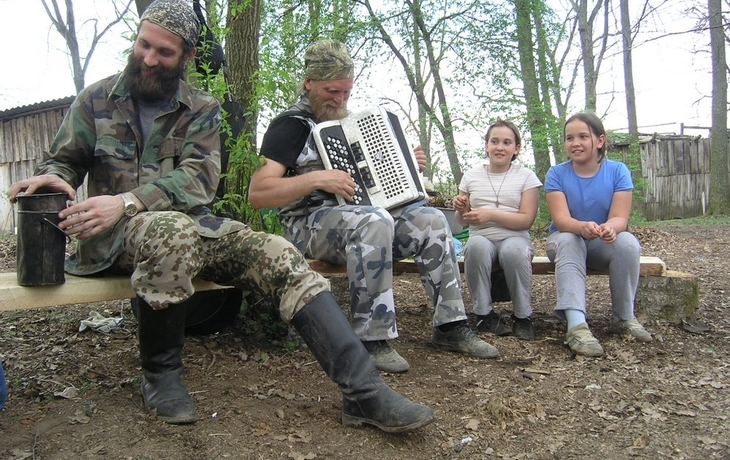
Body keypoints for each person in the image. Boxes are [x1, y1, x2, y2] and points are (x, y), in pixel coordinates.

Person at [8, 0, 435, 433]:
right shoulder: (96, 99)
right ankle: (160, 376)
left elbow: (198, 181)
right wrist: (53, 178)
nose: (149, 58)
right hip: (115, 236)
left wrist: (128, 200)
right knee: (171, 230)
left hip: (192, 227)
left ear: (188, 56)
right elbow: (61, 161)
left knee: (277, 251)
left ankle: (364, 390)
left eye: (164, 52)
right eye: (143, 45)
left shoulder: (202, 108)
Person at [249, 39, 498, 374]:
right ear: (309, 83)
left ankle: (450, 326)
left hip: (362, 221)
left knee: (431, 220)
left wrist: (409, 163)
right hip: (307, 226)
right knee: (374, 221)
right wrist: (317, 178)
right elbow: (259, 193)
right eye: (331, 91)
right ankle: (372, 338)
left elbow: (376, 186)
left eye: (346, 92)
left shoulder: (350, 125)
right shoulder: (289, 126)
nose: (340, 100)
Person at [544, 112, 652, 357]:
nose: (575, 143)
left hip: (599, 244)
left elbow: (620, 218)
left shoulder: (618, 171)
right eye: (569, 138)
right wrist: (581, 227)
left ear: (600, 140)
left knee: (628, 242)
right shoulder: (557, 174)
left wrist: (610, 228)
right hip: (563, 242)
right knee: (570, 238)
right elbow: (561, 221)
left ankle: (624, 318)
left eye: (583, 136)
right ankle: (576, 326)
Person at [453, 120, 542, 341]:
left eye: (506, 142)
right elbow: (462, 221)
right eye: (494, 141)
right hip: (481, 236)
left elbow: (526, 220)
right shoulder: (471, 176)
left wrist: (491, 215)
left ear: (516, 148)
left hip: (515, 237)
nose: (500, 147)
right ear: (486, 146)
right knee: (475, 246)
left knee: (513, 251)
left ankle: (523, 317)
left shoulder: (526, 176)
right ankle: (483, 315)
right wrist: (462, 209)